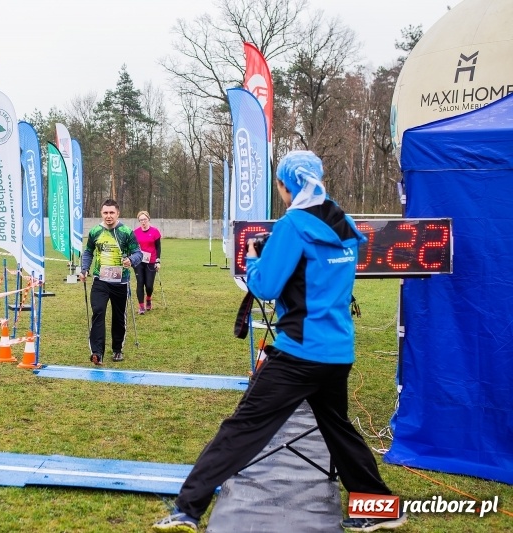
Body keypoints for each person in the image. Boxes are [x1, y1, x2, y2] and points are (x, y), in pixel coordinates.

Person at [152, 151, 405, 532]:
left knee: (242, 427)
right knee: (338, 428)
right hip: (337, 351)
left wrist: (256, 257)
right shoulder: (345, 224)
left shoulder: (293, 226)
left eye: (280, 187)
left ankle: (187, 508)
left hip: (301, 352)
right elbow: (318, 277)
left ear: (285, 186)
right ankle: (381, 506)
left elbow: (266, 286)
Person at [79, 199, 142, 365]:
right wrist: (84, 268)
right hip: (100, 280)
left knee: (118, 317)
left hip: (120, 282)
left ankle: (117, 349)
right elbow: (88, 252)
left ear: (118, 213)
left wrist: (131, 260)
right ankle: (97, 352)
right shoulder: (95, 232)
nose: (108, 216)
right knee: (98, 312)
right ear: (101, 213)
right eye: (105, 213)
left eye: (111, 212)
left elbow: (138, 253)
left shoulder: (126, 232)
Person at [133, 210, 162, 315]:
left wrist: (158, 261)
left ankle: (148, 298)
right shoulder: (135, 232)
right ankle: (141, 307)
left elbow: (158, 247)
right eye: (141, 220)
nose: (143, 222)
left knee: (149, 285)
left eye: (144, 219)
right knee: (140, 283)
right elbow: (133, 247)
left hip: (151, 261)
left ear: (148, 219)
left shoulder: (155, 231)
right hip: (139, 261)